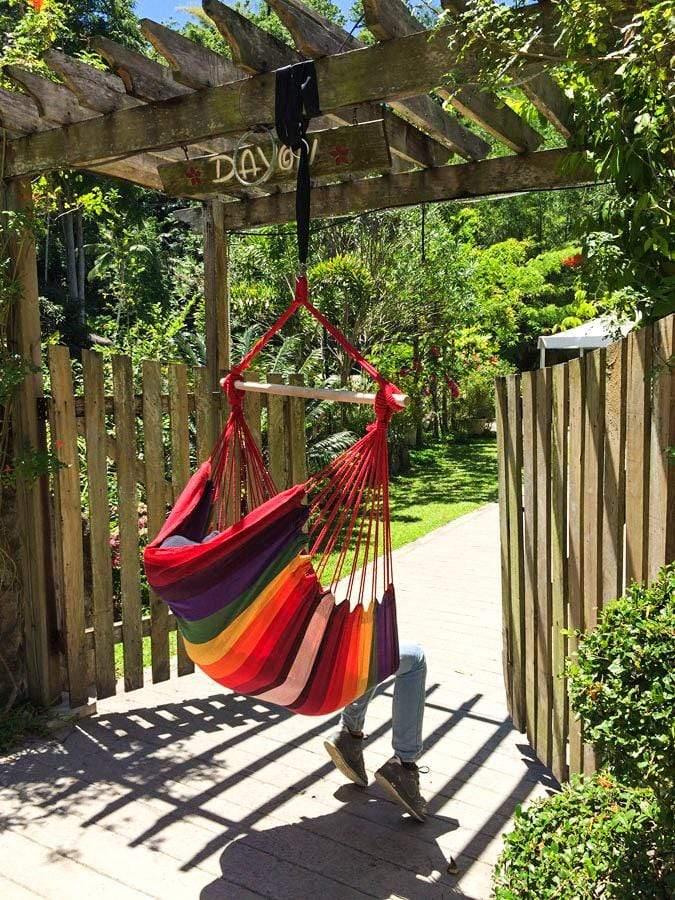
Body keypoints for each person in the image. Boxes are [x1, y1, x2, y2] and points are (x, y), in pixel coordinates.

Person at [323, 642, 428, 822]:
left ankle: (350, 734)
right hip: (321, 669)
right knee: (412, 658)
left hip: (285, 678)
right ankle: (405, 763)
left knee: (368, 648)